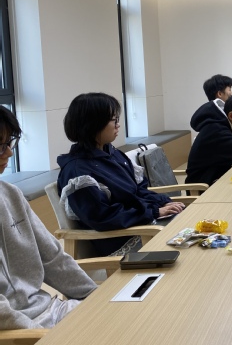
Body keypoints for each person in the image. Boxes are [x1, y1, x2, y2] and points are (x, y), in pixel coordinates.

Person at [0, 107, 97, 329]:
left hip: (52, 311)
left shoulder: (10, 194)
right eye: (1, 146)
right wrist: (39, 335)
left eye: (9, 143)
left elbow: (52, 257)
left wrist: (96, 299)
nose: (9, 153)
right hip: (23, 330)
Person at [57, 93, 185, 256]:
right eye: (114, 120)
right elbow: (102, 217)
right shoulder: (78, 172)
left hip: (139, 224)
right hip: (121, 238)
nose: (118, 125)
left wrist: (162, 203)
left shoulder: (112, 153)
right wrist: (153, 212)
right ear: (93, 125)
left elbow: (138, 191)